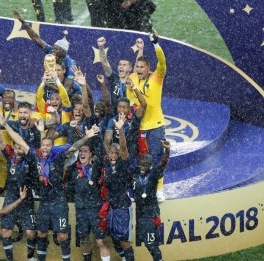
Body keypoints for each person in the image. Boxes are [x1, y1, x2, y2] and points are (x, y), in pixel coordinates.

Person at [34, 125, 100, 261]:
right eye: (43, 145)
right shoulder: (37, 156)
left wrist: (86, 137)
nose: (45, 147)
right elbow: (34, 145)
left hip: (59, 201)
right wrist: (41, 132)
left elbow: (74, 147)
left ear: (53, 147)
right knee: (41, 233)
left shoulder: (58, 156)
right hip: (44, 202)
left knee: (62, 236)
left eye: (48, 145)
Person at [0, 108, 41, 261]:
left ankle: (31, 258)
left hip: (26, 200)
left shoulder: (30, 160)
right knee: (6, 230)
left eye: (21, 147)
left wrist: (5, 124)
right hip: (11, 197)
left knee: (31, 233)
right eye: (17, 146)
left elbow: (22, 142)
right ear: (13, 148)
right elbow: (0, 141)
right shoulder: (10, 157)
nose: (18, 149)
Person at [126, 29, 167, 202]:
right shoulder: (132, 78)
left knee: (157, 157)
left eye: (142, 67)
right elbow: (129, 99)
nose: (139, 69)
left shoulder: (157, 76)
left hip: (156, 125)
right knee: (137, 159)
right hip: (139, 126)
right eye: (137, 66)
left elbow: (162, 62)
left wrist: (155, 43)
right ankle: (138, 187)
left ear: (149, 68)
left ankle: (158, 189)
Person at [65, 142, 110, 261]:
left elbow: (104, 154)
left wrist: (95, 158)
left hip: (95, 209)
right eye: (80, 151)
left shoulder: (96, 166)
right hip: (80, 210)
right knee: (84, 240)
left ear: (91, 154)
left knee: (101, 241)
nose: (82, 153)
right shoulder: (73, 169)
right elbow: (68, 186)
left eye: (85, 151)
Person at [13, 10, 76, 90]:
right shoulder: (51, 51)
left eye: (56, 49)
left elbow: (66, 89)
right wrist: (24, 23)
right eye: (53, 48)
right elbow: (36, 38)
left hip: (69, 87)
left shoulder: (70, 65)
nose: (53, 51)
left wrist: (48, 84)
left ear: (63, 52)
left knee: (46, 83)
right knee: (42, 84)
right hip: (56, 81)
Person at [133, 140, 170, 261]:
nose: (142, 167)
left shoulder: (154, 174)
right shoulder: (135, 174)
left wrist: (167, 150)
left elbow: (163, 163)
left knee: (151, 244)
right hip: (140, 214)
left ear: (150, 165)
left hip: (150, 214)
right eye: (141, 164)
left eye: (145, 164)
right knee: (147, 243)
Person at [104, 113, 135, 261]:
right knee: (114, 238)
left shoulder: (123, 164)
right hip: (112, 206)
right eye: (111, 152)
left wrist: (120, 131)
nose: (113, 155)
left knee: (124, 240)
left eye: (115, 153)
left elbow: (123, 148)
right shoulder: (107, 167)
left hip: (123, 206)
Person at [97, 36, 134, 112]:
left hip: (129, 114)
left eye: (124, 65)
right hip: (114, 112)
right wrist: (101, 47)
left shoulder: (133, 80)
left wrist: (141, 49)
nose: (121, 67)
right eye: (120, 65)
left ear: (130, 68)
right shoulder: (114, 78)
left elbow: (139, 64)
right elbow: (105, 63)